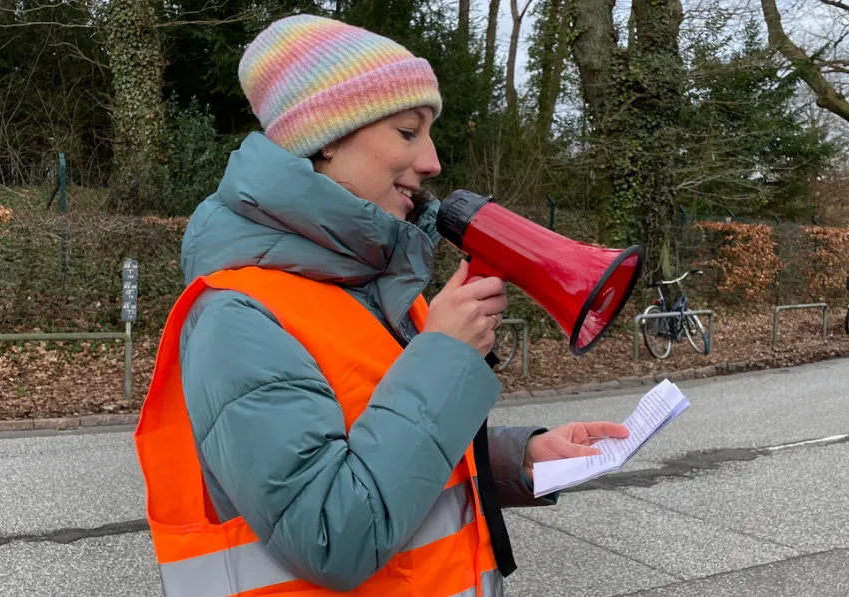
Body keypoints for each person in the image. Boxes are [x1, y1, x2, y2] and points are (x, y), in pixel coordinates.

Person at [133, 13, 629, 597]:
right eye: (407, 131)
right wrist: (443, 357)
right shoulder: (237, 316)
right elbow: (330, 532)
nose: (433, 161)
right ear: (328, 136)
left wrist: (516, 459)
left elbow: (381, 444)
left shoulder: (379, 291)